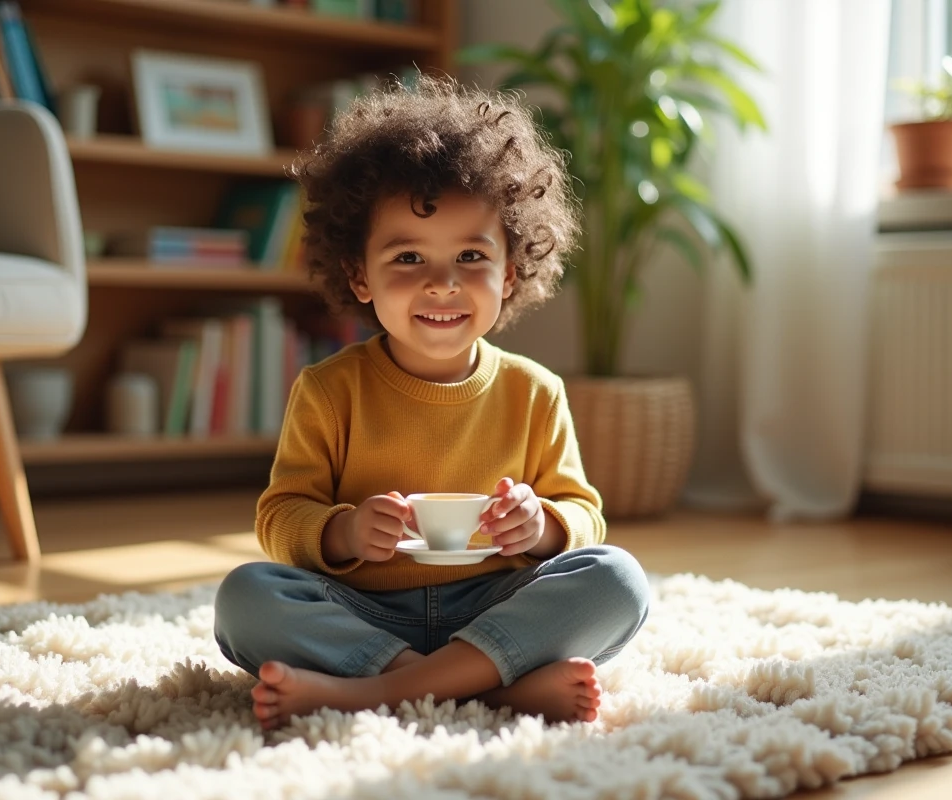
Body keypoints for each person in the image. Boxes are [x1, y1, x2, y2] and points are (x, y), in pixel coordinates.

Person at [213, 75, 650, 730]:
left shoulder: (535, 391)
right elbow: (281, 515)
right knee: (245, 596)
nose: (442, 284)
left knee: (617, 579)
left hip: (496, 606)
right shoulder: (329, 390)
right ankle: (490, 692)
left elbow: (583, 514)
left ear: (509, 272)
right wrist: (344, 531)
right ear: (359, 274)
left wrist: (542, 527)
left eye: (471, 255)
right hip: (367, 612)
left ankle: (374, 692)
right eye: (409, 257)